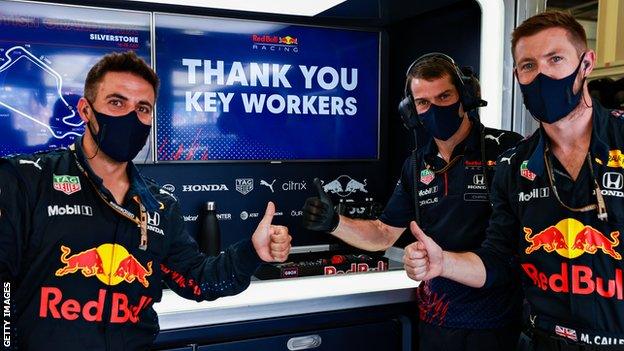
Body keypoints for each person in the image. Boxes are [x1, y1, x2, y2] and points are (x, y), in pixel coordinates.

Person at [0, 51, 292, 350]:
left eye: (142, 108)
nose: (130, 116)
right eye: (116, 102)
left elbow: (198, 280)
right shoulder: (27, 180)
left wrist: (252, 252)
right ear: (85, 110)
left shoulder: (159, 205)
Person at [404, 11, 624, 350]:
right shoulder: (514, 162)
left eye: (555, 59)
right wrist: (443, 263)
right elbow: (499, 259)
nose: (542, 75)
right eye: (528, 65)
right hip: (540, 341)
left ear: (586, 63)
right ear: (517, 74)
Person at [302, 53, 523, 351]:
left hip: (498, 323)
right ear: (411, 110)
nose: (434, 109)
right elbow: (383, 233)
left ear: (465, 95)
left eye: (444, 96)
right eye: (423, 102)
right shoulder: (417, 164)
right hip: (437, 320)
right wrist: (334, 223)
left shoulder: (508, 150)